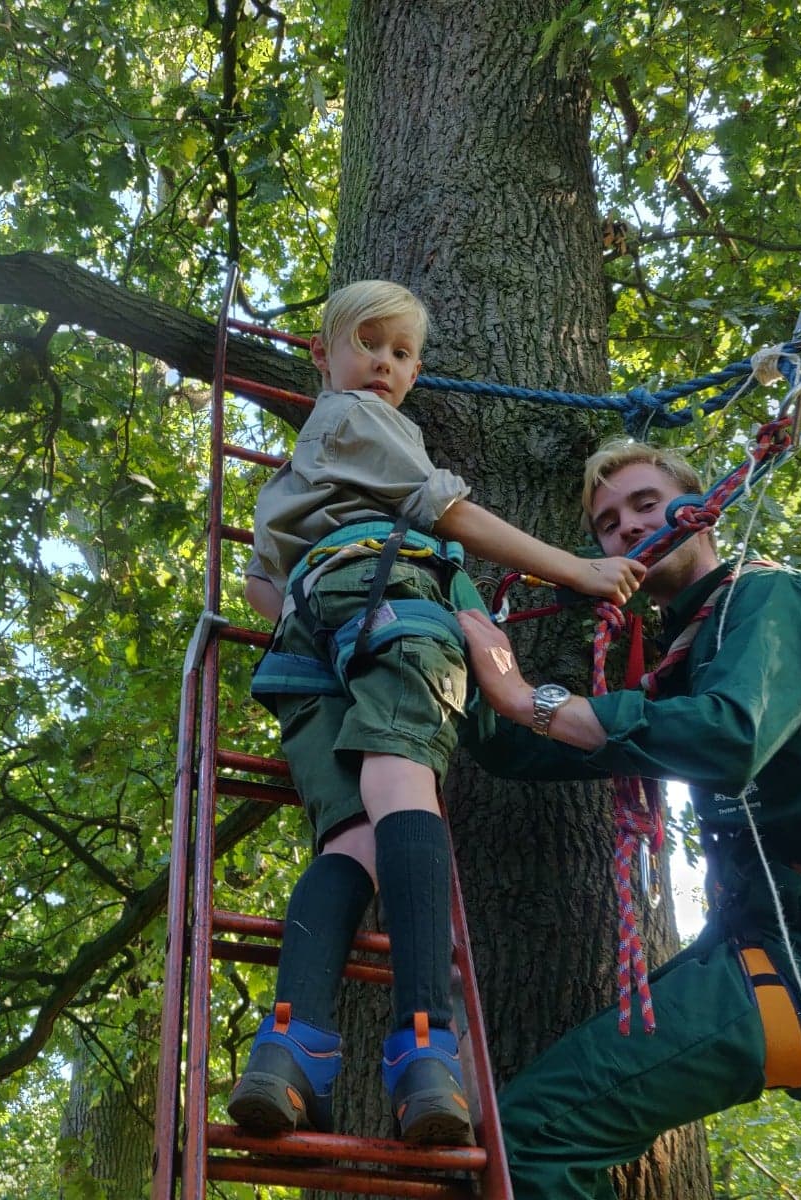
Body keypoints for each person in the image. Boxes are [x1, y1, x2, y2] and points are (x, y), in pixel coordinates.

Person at [454, 438, 801, 1200]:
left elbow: (729, 736)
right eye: (608, 523)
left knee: (532, 1135)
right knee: (533, 1124)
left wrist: (533, 700)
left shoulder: (778, 601)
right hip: (772, 942)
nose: (626, 528)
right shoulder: (682, 660)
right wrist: (455, 627)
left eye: (646, 504)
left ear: (698, 506)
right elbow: (525, 753)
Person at [230, 281, 645, 1146]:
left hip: (308, 642)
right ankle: (426, 1046)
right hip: (389, 597)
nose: (383, 364)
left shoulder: (291, 477)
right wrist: (576, 571)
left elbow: (259, 587)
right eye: (367, 344)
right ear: (323, 356)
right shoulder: (359, 418)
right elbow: (443, 509)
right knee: (403, 789)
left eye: (401, 353)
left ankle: (289, 1046)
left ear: (416, 368)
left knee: (349, 840)